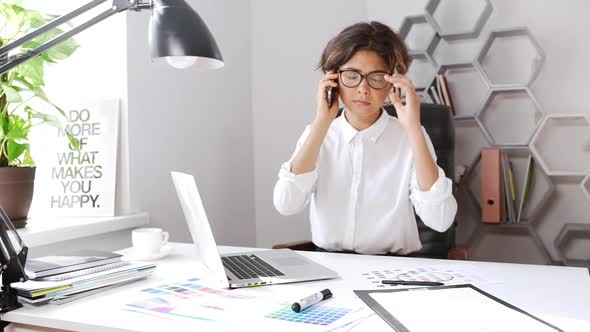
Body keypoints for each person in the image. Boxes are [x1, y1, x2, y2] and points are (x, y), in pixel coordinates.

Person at [273, 21, 457, 255]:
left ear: (393, 82)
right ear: (333, 79)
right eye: (352, 75)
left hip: (394, 269)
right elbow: (286, 204)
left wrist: (413, 128)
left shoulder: (410, 136)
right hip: (330, 265)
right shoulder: (318, 134)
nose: (363, 88)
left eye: (376, 77)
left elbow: (440, 220)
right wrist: (321, 122)